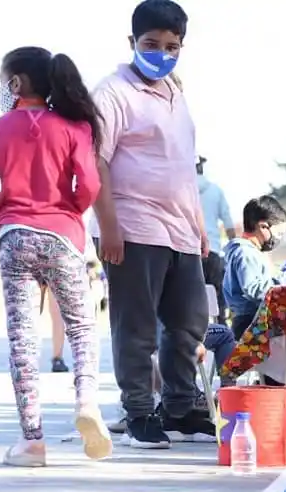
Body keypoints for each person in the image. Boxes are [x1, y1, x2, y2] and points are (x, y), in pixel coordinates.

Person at [0, 45, 113, 467]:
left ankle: (32, 441)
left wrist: (11, 205)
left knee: (22, 338)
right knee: (82, 328)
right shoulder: (74, 128)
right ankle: (87, 402)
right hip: (64, 236)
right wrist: (64, 207)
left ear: (15, 83)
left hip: (14, 236)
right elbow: (88, 187)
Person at [90, 0, 214, 449]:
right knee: (136, 326)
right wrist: (109, 227)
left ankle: (179, 409)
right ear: (132, 43)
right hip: (133, 225)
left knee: (188, 323)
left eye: (171, 46)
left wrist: (199, 226)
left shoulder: (176, 92)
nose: (161, 53)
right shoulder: (112, 93)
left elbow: (182, 168)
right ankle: (139, 412)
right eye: (151, 44)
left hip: (180, 229)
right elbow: (95, 162)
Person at [223, 196, 286, 341]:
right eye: (278, 233)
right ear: (263, 226)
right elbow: (254, 289)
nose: (278, 239)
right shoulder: (246, 253)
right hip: (249, 323)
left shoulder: (252, 252)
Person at [196, 155, 235, 324]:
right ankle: (221, 327)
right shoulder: (216, 190)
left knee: (189, 295)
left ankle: (194, 332)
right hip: (213, 250)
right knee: (218, 295)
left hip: (188, 251)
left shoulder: (180, 190)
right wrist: (234, 248)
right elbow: (228, 221)